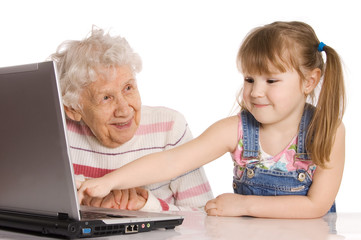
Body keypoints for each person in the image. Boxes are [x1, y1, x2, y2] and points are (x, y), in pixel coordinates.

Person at [77, 21, 346, 218]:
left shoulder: (328, 131)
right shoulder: (237, 130)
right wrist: (109, 182)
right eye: (249, 79)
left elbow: (316, 206)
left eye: (271, 80)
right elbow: (172, 161)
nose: (255, 91)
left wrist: (244, 205)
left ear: (309, 81)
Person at [49, 27, 213, 212]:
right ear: (73, 109)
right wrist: (84, 195)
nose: (124, 109)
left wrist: (147, 205)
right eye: (106, 98)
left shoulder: (169, 128)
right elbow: (34, 201)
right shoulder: (58, 131)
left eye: (128, 88)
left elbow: (205, 216)